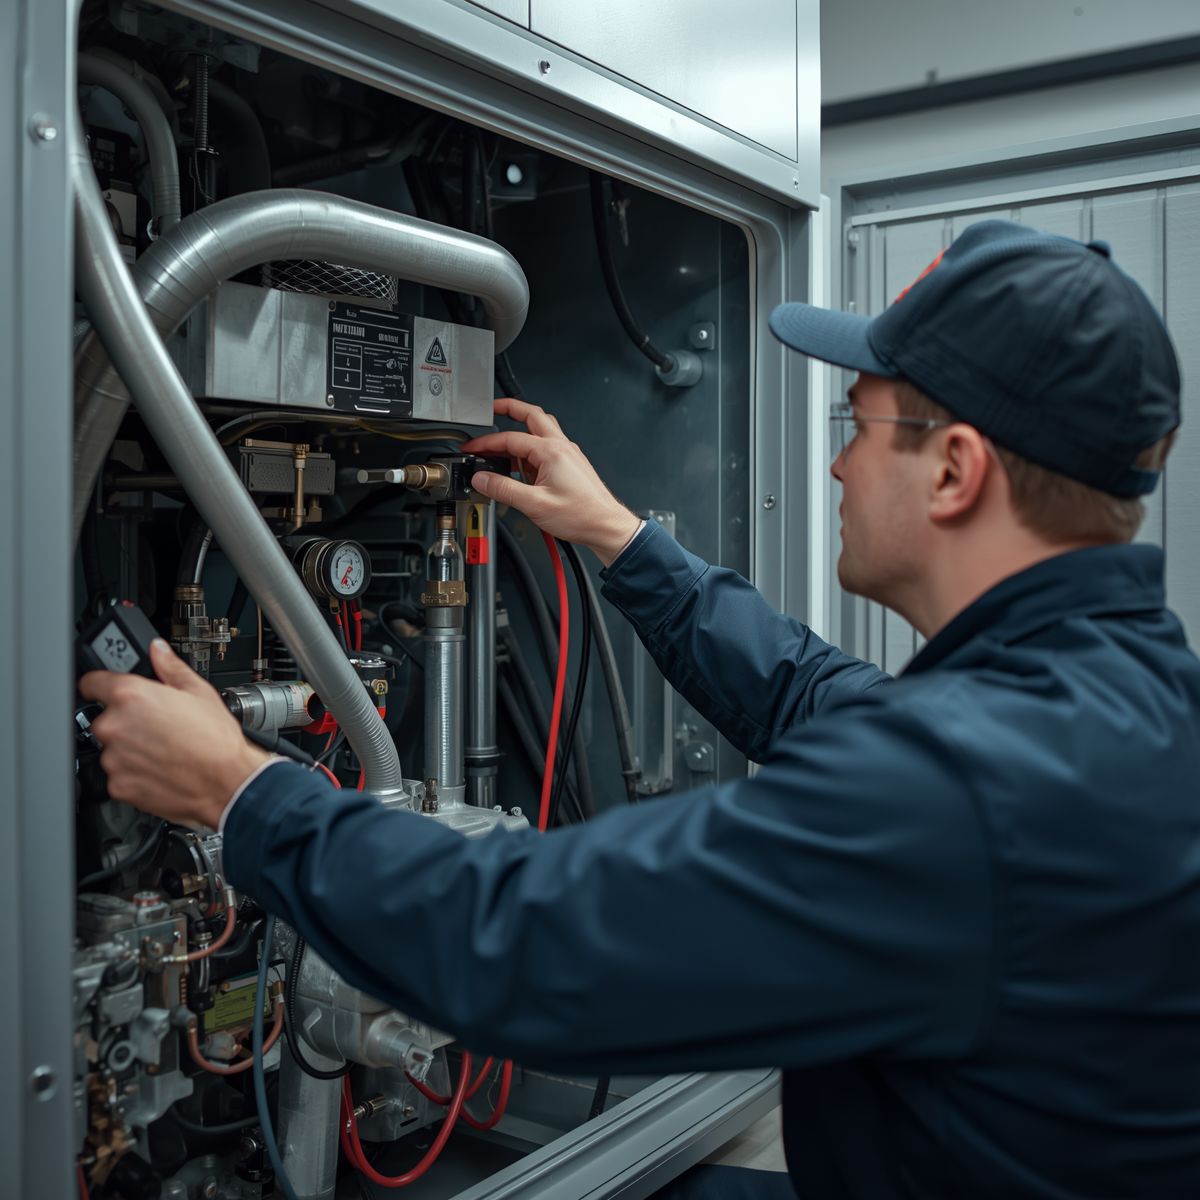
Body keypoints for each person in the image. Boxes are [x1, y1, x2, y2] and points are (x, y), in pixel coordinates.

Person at [81, 220, 1200, 1200]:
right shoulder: (1123, 694)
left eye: (856, 428)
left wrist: (239, 793)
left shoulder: (972, 792)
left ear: (954, 472)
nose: (839, 472)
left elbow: (524, 943)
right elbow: (819, 696)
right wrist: (620, 536)